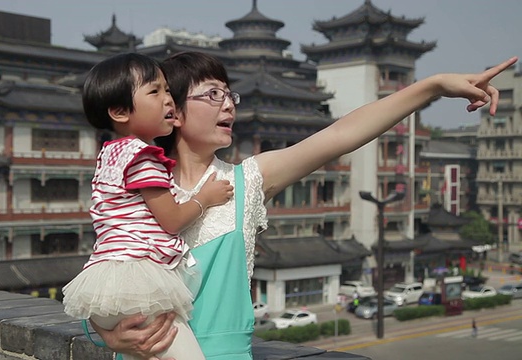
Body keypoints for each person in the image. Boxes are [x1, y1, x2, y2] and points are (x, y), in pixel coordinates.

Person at [89, 52, 518, 359]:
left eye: (229, 95)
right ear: (173, 111)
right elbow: (106, 278)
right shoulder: (138, 186)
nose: (229, 105)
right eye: (212, 94)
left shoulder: (244, 182)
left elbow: (341, 135)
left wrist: (432, 86)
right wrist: (103, 335)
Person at [61, 53, 234, 360]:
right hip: (139, 283)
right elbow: (171, 220)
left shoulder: (110, 154)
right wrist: (205, 198)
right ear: (119, 111)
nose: (168, 100)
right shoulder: (144, 157)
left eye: (168, 90)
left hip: (104, 287)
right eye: (155, 92)